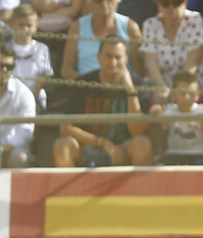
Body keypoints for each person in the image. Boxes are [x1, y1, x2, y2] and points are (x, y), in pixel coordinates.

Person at [52, 35, 154, 166]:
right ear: (99, 57)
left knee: (142, 144)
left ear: (126, 59)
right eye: (108, 56)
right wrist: (103, 143)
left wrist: (130, 90)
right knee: (62, 146)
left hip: (125, 147)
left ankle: (140, 187)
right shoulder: (84, 83)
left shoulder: (138, 83)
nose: (113, 62)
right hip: (89, 146)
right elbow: (66, 128)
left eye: (118, 57)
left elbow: (138, 131)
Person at [138, 0, 203, 98]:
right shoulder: (150, 24)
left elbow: (194, 60)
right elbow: (150, 62)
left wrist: (179, 91)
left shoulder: (195, 19)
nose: (171, 7)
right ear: (158, 5)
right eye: (166, 3)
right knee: (151, 99)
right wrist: (162, 89)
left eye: (177, 2)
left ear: (185, 3)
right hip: (161, 84)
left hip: (193, 83)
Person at [60, 0, 140, 80]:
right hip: (86, 89)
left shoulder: (130, 27)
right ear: (90, 1)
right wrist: (88, 84)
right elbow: (67, 69)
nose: (104, 3)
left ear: (117, 0)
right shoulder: (77, 27)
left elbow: (139, 69)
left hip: (120, 88)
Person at [149, 69, 203, 163]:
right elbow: (163, 122)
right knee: (159, 167)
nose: (187, 97)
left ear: (197, 95)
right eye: (182, 93)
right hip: (174, 153)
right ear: (173, 94)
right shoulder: (169, 109)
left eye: (191, 93)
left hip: (200, 154)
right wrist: (157, 115)